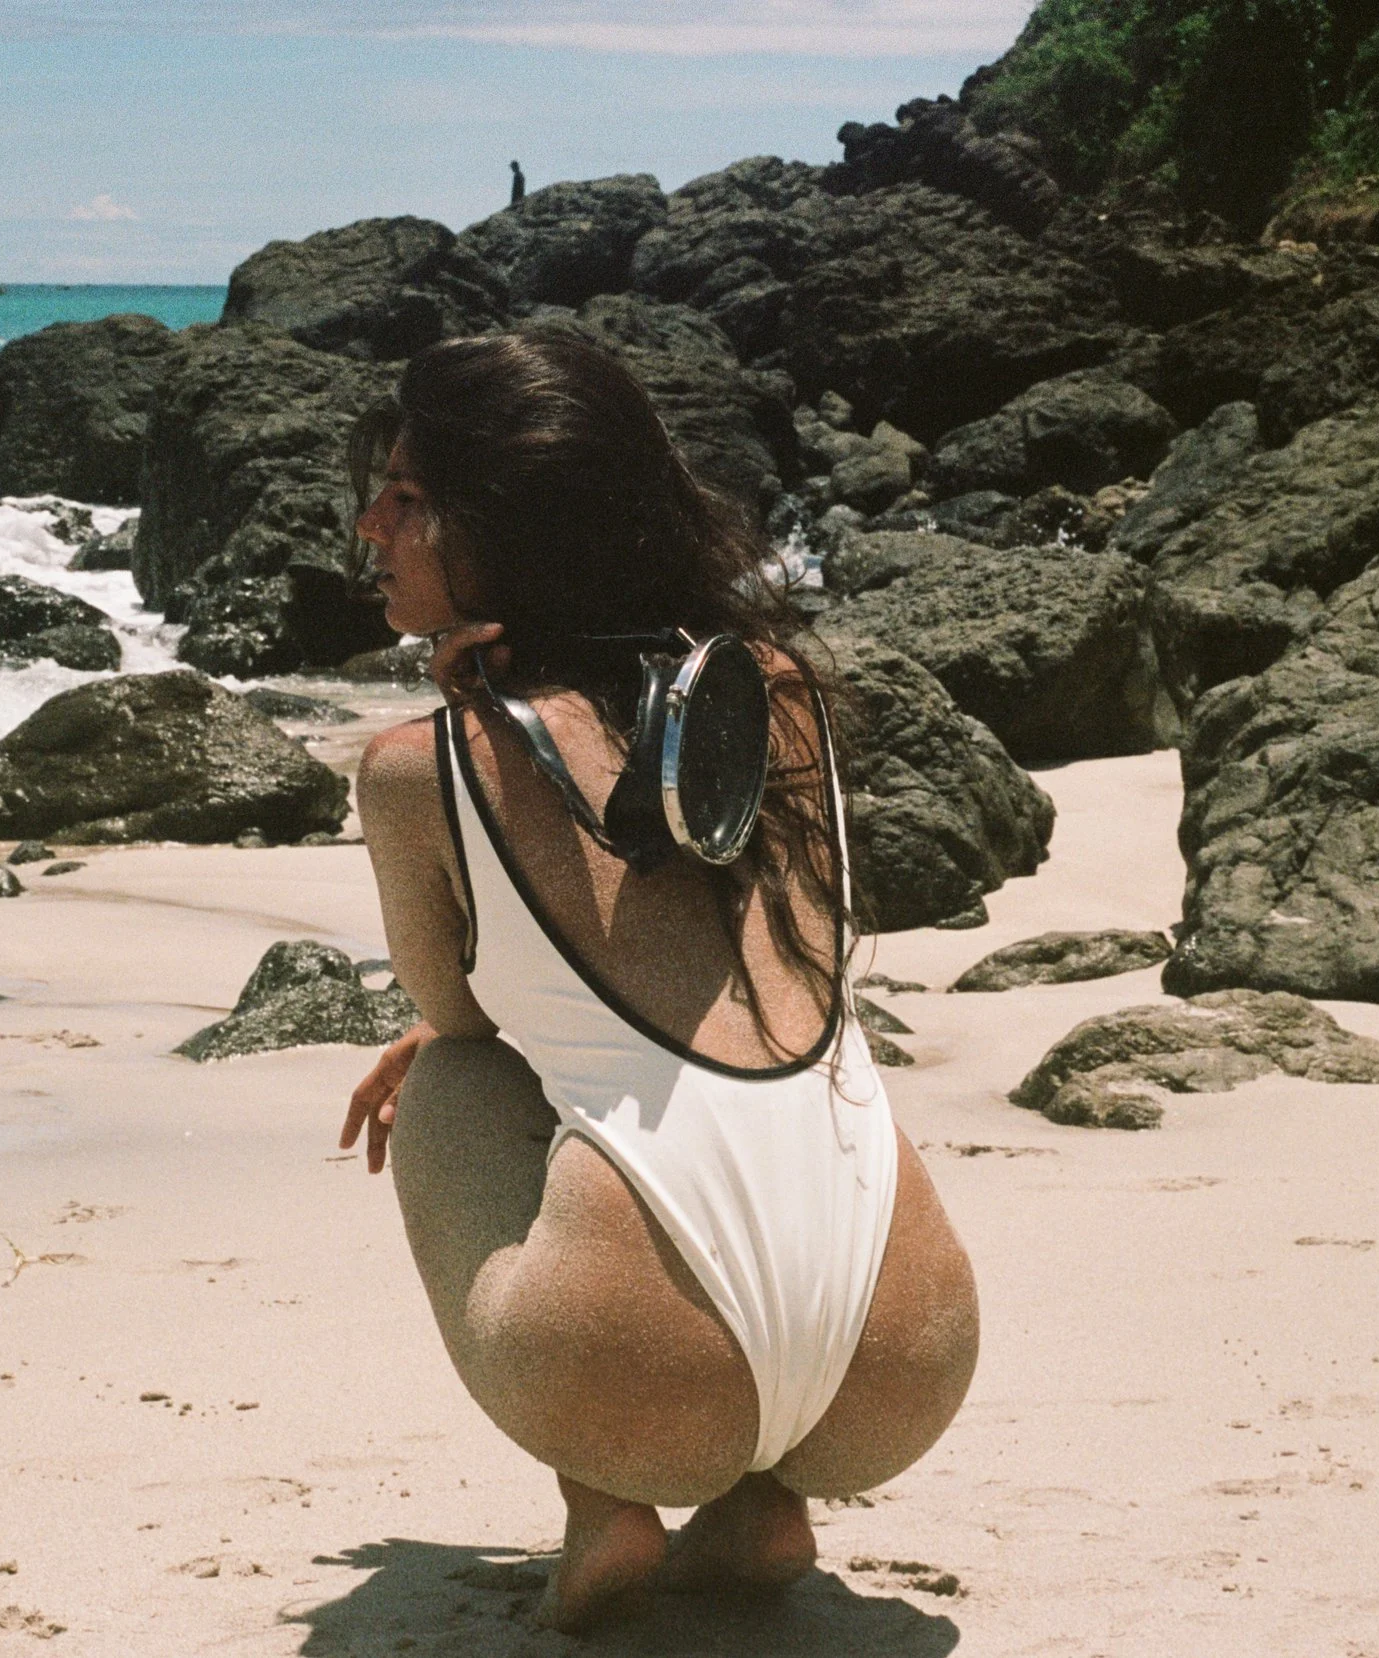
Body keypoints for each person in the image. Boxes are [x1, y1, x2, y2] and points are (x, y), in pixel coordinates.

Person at [341, 331, 980, 1631]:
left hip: (634, 1374)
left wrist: (430, 1025)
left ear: (502, 523)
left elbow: (466, 1012)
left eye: (408, 497)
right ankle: (764, 1503)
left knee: (447, 1066)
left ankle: (604, 1499)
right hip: (910, 1359)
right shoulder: (784, 699)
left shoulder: (423, 767)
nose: (372, 527)